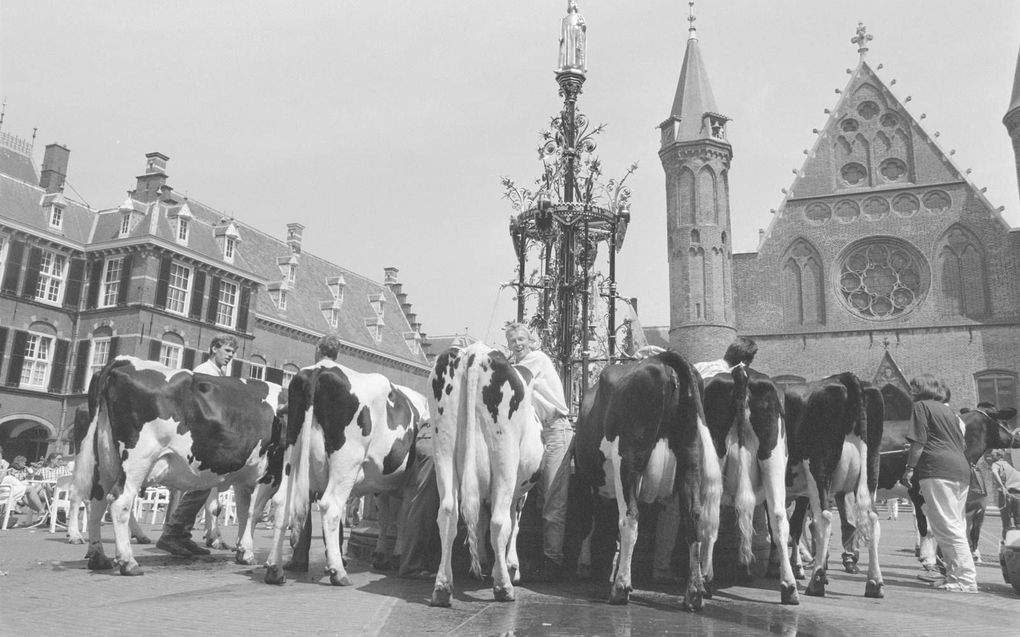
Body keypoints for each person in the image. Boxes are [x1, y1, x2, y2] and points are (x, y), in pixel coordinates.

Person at [156, 334, 237, 557]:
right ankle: (174, 533)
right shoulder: (204, 372)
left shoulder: (219, 373)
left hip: (210, 437)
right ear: (214, 348)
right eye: (227, 351)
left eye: (232, 352)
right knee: (198, 485)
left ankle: (179, 533)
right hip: (200, 437)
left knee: (202, 487)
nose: (230, 356)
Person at [505, 322, 573, 581]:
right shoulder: (524, 365)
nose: (517, 344)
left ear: (531, 341)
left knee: (554, 500)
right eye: (513, 341)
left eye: (521, 339)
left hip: (556, 429)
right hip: (538, 431)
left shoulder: (536, 359)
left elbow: (512, 381)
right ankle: (540, 557)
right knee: (540, 499)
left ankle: (553, 562)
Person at [900, 375, 977, 592]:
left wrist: (909, 468)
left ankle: (966, 580)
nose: (911, 390)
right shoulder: (949, 412)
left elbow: (919, 443)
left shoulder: (921, 407)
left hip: (937, 469)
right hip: (960, 469)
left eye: (914, 386)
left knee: (946, 526)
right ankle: (954, 575)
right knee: (955, 525)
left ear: (921, 389)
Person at [2, 455, 47, 527]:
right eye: (23, 462)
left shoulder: (26, 469)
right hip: (13, 488)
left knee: (30, 491)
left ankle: (41, 511)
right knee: (27, 493)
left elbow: (33, 476)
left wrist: (31, 471)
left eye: (25, 463)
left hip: (23, 487)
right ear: (17, 463)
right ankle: (43, 512)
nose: (24, 464)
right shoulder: (9, 471)